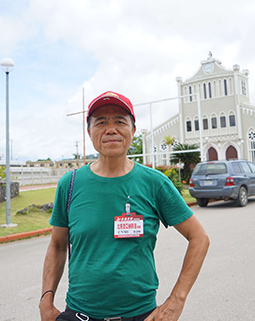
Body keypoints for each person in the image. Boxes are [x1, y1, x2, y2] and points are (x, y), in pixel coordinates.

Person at [40, 91, 209, 321]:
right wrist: (46, 299)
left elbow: (199, 238)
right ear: (89, 132)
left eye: (120, 121)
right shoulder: (69, 185)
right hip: (80, 315)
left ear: (133, 130)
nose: (111, 129)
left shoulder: (154, 183)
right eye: (101, 122)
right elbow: (58, 246)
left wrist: (176, 300)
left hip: (141, 316)